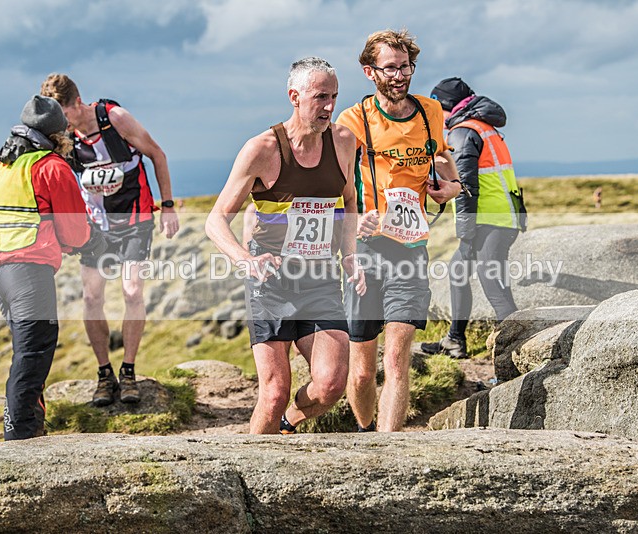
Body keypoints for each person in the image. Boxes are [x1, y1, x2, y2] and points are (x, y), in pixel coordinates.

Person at [206, 57, 364, 434]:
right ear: (294, 97)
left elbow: (349, 202)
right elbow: (216, 220)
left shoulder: (344, 142)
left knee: (331, 385)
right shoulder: (262, 149)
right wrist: (244, 259)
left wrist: (349, 255)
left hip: (320, 280)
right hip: (271, 281)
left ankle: (288, 424)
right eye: (320, 97)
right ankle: (251, 463)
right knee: (275, 392)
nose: (330, 106)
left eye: (334, 96)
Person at [336, 30, 464, 432]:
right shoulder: (353, 120)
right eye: (390, 68)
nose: (399, 76)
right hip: (365, 251)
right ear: (369, 72)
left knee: (395, 360)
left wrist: (452, 188)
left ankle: (387, 447)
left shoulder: (430, 112)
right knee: (361, 372)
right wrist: (355, 220)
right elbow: (335, 185)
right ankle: (365, 433)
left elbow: (442, 158)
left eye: (406, 67)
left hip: (410, 250)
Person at [40, 74, 180, 406]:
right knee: (92, 297)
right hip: (96, 227)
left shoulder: (115, 118)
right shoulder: (63, 135)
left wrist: (168, 206)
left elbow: (157, 154)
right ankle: (105, 374)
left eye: (63, 114)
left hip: (134, 219)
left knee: (132, 291)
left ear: (77, 102)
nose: (60, 122)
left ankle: (128, 370)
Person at [0, 95, 100, 440]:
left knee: (27, 351)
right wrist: (89, 241)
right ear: (57, 133)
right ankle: (20, 435)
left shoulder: (5, 166)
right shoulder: (51, 166)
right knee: (34, 352)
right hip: (28, 272)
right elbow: (75, 230)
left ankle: (26, 428)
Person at [421, 77, 524, 358]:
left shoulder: (463, 132)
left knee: (494, 288)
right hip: (498, 218)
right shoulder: (483, 127)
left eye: (437, 109)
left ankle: (519, 355)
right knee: (458, 272)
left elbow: (465, 186)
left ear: (447, 106)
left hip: (490, 223)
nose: (436, 117)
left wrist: (466, 232)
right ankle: (454, 340)